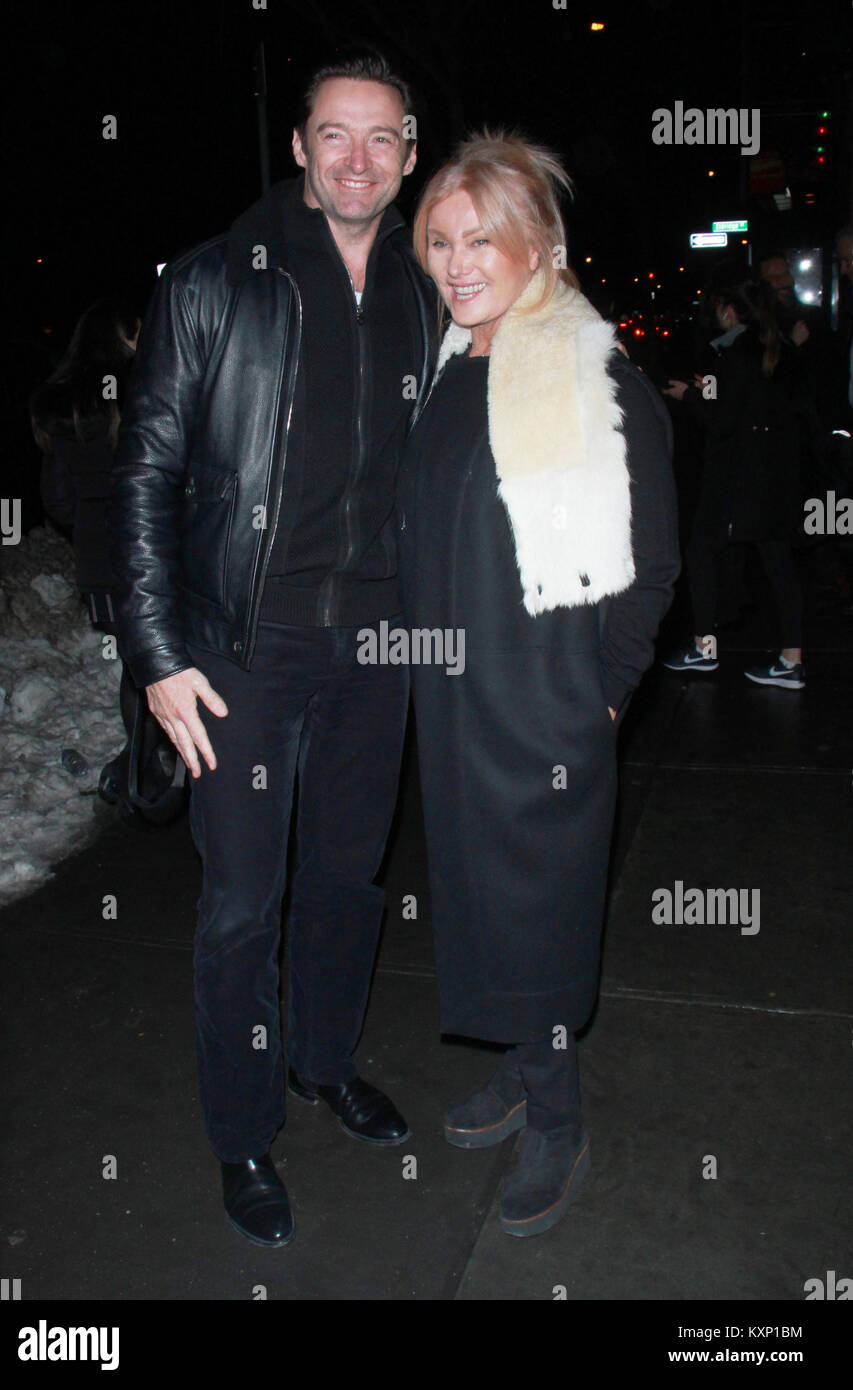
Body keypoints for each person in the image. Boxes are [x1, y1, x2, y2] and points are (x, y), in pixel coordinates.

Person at [108, 50, 439, 1247]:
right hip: (243, 650)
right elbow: (141, 473)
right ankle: (244, 1132)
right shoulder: (214, 281)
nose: (359, 158)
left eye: (383, 138)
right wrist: (155, 653)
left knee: (348, 882)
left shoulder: (426, 286)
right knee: (245, 906)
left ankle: (319, 1060)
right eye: (335, 135)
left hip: (381, 645)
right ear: (299, 145)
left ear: (409, 153)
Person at [396, 131, 679, 1237]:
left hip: (547, 712)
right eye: (443, 240)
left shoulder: (588, 370)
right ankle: (522, 1066)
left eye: (485, 239)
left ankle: (557, 1111)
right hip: (459, 705)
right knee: (483, 906)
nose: (461, 261)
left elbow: (653, 567)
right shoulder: (450, 365)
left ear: (540, 245)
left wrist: (599, 702)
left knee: (543, 920)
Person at [29, 298, 173, 809]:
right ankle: (143, 770)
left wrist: (88, 527)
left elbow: (58, 500)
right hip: (150, 551)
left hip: (98, 556)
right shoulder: (140, 390)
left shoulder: (62, 405)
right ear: (118, 338)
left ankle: (143, 764)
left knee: (138, 667)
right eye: (135, 332)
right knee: (162, 661)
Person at [662, 283, 806, 688]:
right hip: (775, 479)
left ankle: (705, 650)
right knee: (779, 565)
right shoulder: (776, 350)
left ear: (729, 310)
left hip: (738, 481)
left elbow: (724, 420)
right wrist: (704, 390)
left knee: (701, 550)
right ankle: (792, 659)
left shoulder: (735, 353)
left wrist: (690, 394)